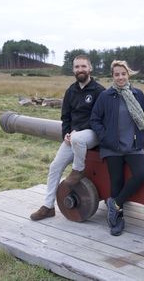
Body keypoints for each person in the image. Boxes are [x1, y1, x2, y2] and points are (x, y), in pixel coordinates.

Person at [30, 55, 105, 221]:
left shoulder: (100, 91)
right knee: (54, 166)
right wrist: (66, 133)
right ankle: (48, 206)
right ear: (73, 70)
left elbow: (100, 119)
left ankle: (78, 170)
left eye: (83, 66)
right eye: (77, 67)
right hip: (74, 136)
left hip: (92, 134)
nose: (80, 70)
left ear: (90, 68)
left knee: (78, 138)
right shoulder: (71, 91)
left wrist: (78, 132)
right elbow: (66, 117)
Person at [90, 60, 144, 236]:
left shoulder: (137, 94)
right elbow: (95, 119)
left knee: (142, 174)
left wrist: (143, 135)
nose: (120, 77)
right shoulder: (106, 96)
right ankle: (117, 219)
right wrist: (105, 137)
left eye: (123, 74)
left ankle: (114, 203)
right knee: (116, 182)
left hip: (133, 146)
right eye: (117, 74)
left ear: (128, 74)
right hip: (112, 147)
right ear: (113, 76)